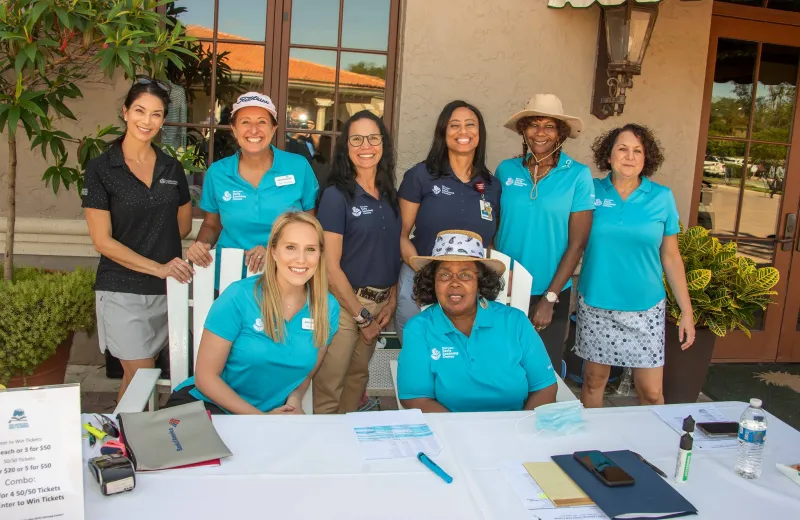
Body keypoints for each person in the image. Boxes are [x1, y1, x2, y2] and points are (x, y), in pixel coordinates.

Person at [82, 77, 193, 401]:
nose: (147, 121)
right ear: (126, 112)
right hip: (122, 288)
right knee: (143, 375)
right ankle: (143, 431)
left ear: (163, 120)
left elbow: (183, 226)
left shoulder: (172, 168)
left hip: (166, 290)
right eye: (140, 111)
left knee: (136, 381)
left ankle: (121, 431)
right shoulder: (101, 168)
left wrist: (157, 249)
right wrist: (156, 266)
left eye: (156, 114)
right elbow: (102, 241)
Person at [167, 212, 340, 414]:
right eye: (290, 247)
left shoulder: (327, 307)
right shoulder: (239, 297)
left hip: (272, 418)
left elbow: (306, 374)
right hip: (209, 406)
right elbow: (206, 378)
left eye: (310, 249)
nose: (301, 259)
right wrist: (260, 419)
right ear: (273, 251)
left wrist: (295, 400)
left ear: (320, 254)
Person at [576, 124, 695, 408]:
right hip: (597, 303)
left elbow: (671, 256)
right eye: (622, 149)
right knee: (593, 382)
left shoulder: (662, 197)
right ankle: (591, 437)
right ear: (608, 156)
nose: (629, 157)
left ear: (646, 158)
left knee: (651, 393)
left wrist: (687, 311)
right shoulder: (590, 191)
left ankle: (653, 439)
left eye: (637, 151)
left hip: (646, 307)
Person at [397, 230, 557, 413]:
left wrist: (522, 427)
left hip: (515, 424)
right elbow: (415, 398)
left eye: (465, 275)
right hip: (449, 427)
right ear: (433, 282)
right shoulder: (419, 328)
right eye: (444, 275)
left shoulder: (515, 322)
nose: (454, 282)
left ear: (480, 283)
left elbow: (545, 387)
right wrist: (461, 429)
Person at [495, 94, 594, 372]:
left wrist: (549, 298)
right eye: (534, 125)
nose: (540, 133)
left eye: (549, 126)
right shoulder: (506, 170)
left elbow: (577, 244)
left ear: (560, 132)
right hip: (504, 288)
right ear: (523, 130)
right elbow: (494, 226)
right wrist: (493, 278)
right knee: (503, 367)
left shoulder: (578, 175)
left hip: (550, 291)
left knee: (542, 371)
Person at [313, 111, 401, 413]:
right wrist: (361, 316)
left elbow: (391, 250)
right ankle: (325, 440)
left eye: (373, 138)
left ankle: (346, 438)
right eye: (357, 139)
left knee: (358, 379)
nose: (366, 146)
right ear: (345, 147)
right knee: (330, 386)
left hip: (379, 304)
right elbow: (329, 266)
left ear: (383, 144)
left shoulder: (389, 194)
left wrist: (391, 298)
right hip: (344, 305)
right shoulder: (336, 196)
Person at [395, 100, 500, 343]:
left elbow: (488, 243)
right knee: (419, 351)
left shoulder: (492, 185)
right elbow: (400, 235)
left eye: (470, 124)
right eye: (454, 125)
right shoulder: (420, 176)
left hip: (469, 287)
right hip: (419, 279)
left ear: (480, 133)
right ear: (443, 132)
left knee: (463, 353)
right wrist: (426, 277)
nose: (463, 131)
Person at [186, 92, 319, 277]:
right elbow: (212, 225)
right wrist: (201, 247)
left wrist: (273, 252)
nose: (254, 130)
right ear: (234, 129)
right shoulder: (218, 172)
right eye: (245, 122)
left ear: (274, 128)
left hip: (286, 275)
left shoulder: (298, 167)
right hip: (229, 276)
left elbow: (311, 228)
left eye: (262, 122)